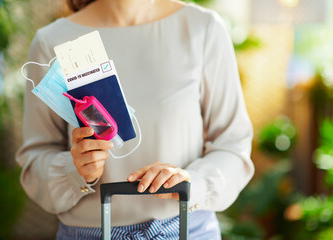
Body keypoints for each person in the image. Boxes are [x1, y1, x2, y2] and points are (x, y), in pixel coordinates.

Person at [16, 0, 254, 239]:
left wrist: (194, 182)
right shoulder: (51, 41)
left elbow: (233, 144)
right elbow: (35, 160)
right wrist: (74, 169)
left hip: (188, 230)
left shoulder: (203, 28)